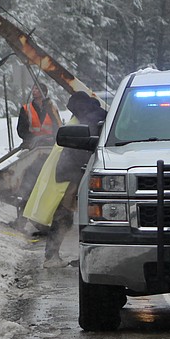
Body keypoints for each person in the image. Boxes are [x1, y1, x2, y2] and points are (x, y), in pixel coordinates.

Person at [44, 91, 107, 267]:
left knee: (70, 215)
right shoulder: (95, 114)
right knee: (85, 215)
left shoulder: (89, 117)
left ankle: (53, 256)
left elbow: (84, 147)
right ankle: (84, 256)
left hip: (79, 172)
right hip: (82, 171)